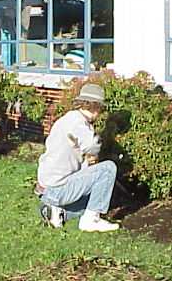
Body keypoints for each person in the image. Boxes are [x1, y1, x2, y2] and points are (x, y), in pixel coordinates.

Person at [36, 84, 119, 232]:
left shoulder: (68, 118)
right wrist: (94, 154)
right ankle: (90, 221)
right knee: (108, 169)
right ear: (95, 107)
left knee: (95, 198)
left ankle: (57, 212)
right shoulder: (78, 123)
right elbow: (92, 145)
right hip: (58, 187)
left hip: (47, 186)